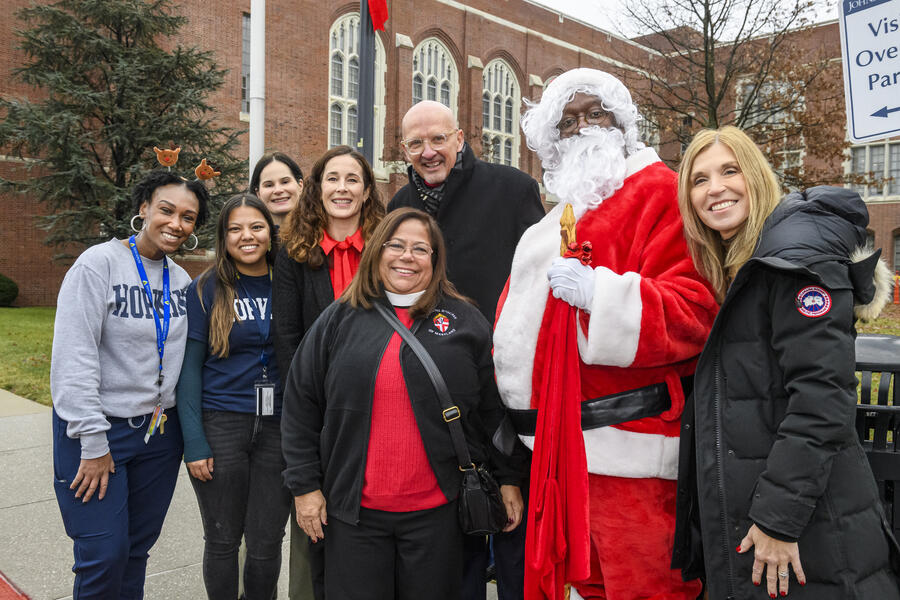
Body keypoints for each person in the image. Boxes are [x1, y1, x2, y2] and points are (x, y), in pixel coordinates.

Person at [492, 67, 719, 600]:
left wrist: (600, 296)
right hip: (559, 453)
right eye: (568, 121)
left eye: (597, 114)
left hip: (631, 456)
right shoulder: (562, 213)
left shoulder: (659, 191)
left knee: (644, 588)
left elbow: (696, 310)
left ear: (623, 124)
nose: (584, 127)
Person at [672, 125, 899, 599]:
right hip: (773, 516)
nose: (715, 188)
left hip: (807, 529)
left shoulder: (794, 259)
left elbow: (822, 400)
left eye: (729, 170)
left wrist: (778, 519)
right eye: (699, 179)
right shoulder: (750, 260)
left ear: (755, 175)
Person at [280, 207, 525, 600]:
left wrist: (510, 477)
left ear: (435, 260)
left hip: (439, 515)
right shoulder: (339, 318)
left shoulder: (465, 322)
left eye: (420, 249)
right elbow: (300, 405)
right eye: (396, 245)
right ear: (377, 252)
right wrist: (304, 487)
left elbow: (495, 411)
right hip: (353, 514)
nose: (406, 256)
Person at [388, 99, 543, 600]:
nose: (428, 152)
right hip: (437, 384)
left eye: (438, 139)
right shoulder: (398, 208)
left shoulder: (512, 189)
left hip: (510, 378)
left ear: (460, 136)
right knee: (458, 536)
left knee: (516, 525)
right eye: (416, 143)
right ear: (403, 149)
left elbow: (541, 280)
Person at [50, 169, 208, 598]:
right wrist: (93, 441)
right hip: (99, 432)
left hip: (159, 435)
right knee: (103, 554)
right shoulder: (98, 264)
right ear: (143, 209)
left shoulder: (181, 281)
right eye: (167, 210)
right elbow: (73, 356)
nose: (176, 224)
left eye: (188, 217)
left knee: (135, 551)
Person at [272, 145, 385, 600]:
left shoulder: (386, 247)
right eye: (332, 178)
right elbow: (288, 340)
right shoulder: (294, 252)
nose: (342, 188)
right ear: (316, 188)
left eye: (352, 179)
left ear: (366, 190)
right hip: (321, 412)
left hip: (382, 401)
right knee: (316, 527)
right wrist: (310, 412)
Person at [176, 193, 289, 599]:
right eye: (235, 229)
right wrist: (194, 442)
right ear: (223, 237)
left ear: (270, 234)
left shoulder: (288, 283)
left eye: (256, 227)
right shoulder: (205, 289)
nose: (247, 236)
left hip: (278, 427)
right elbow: (189, 370)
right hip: (220, 423)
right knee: (222, 539)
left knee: (265, 542)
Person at [251, 152, 304, 230]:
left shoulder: (322, 233)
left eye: (285, 182)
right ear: (258, 193)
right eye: (269, 185)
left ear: (300, 185)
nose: (278, 190)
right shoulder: (248, 238)